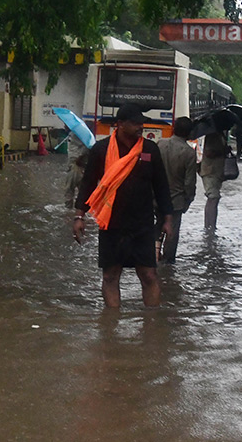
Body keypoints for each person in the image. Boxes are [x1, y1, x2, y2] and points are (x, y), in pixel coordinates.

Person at [73, 103, 175, 308]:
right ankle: (110, 326)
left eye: (142, 123)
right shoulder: (101, 150)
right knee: (110, 276)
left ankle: (151, 325)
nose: (141, 127)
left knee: (149, 275)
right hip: (111, 224)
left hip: (142, 225)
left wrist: (167, 219)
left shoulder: (149, 150)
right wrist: (79, 217)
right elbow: (88, 184)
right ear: (120, 124)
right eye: (135, 123)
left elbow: (161, 186)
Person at [156, 116, 198, 263]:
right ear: (189, 133)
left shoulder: (160, 144)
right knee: (172, 233)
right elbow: (189, 182)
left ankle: (153, 256)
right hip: (176, 200)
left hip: (156, 197)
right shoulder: (188, 152)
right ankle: (168, 264)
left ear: (173, 128)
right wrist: (189, 199)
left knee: (156, 226)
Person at [198, 108, 235, 232]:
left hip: (216, 171)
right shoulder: (212, 136)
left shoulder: (219, 135)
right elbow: (209, 153)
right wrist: (222, 151)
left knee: (213, 198)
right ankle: (209, 227)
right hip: (210, 171)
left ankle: (210, 226)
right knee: (213, 197)